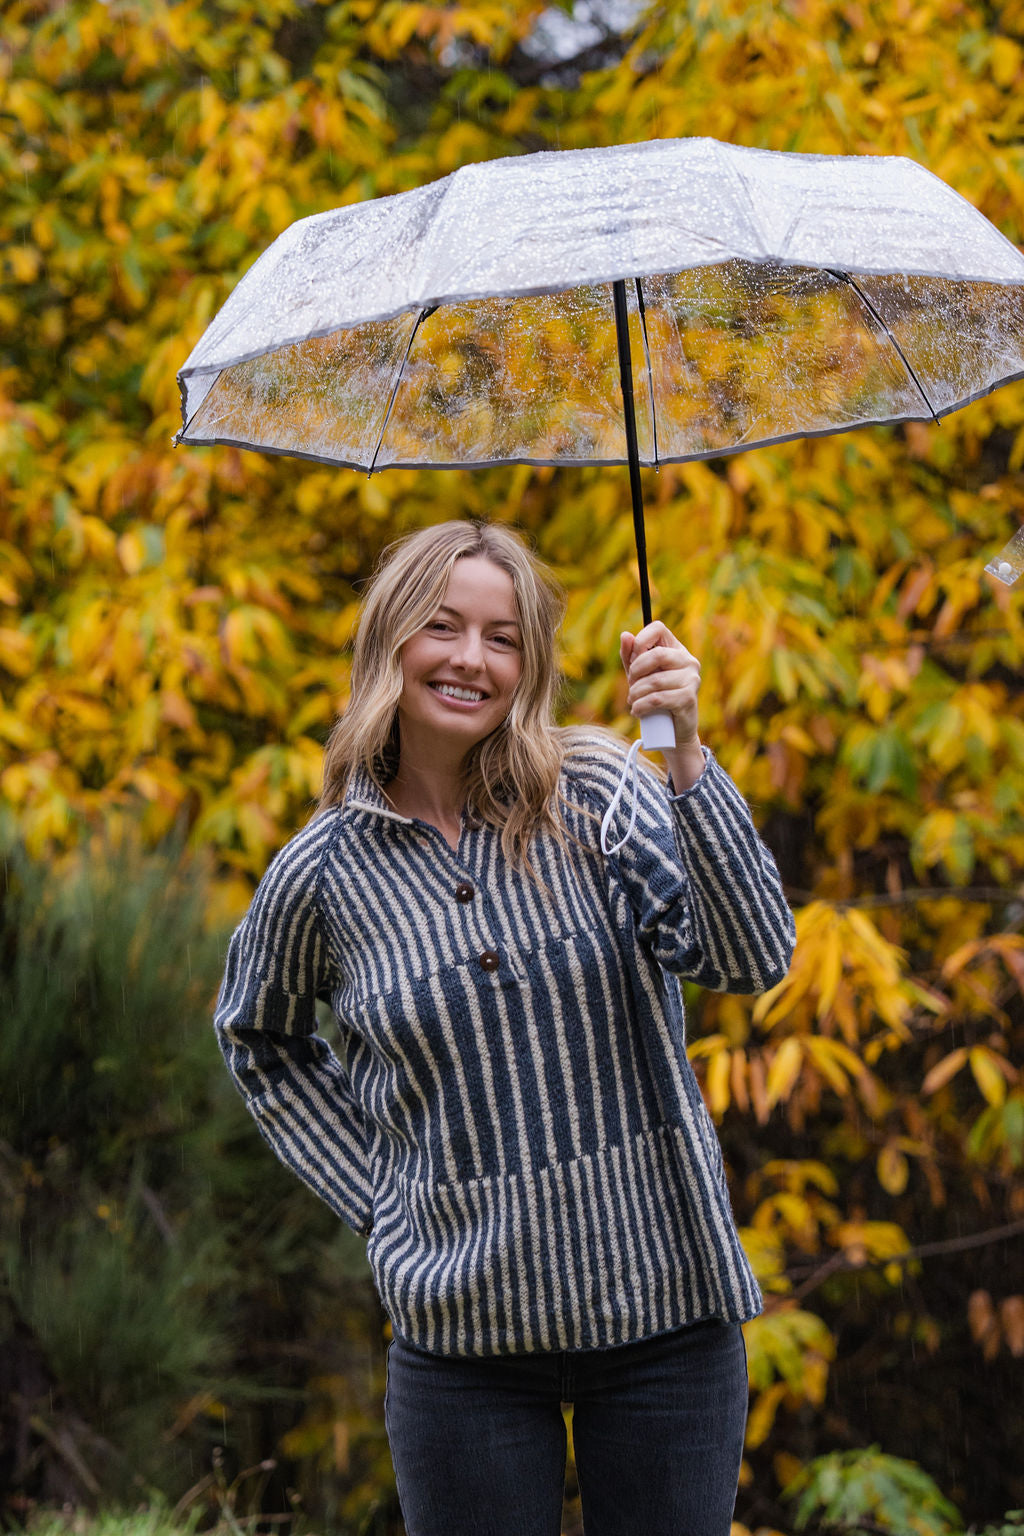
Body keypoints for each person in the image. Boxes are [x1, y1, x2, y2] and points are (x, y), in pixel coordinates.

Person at [214, 519, 795, 1536]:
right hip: (464, 1345)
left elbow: (746, 959)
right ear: (388, 639)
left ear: (531, 664)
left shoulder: (598, 790)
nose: (471, 660)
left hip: (664, 1316)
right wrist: (384, 1195)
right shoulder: (323, 870)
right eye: (443, 626)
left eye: (504, 637)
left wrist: (686, 749)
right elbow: (257, 1039)